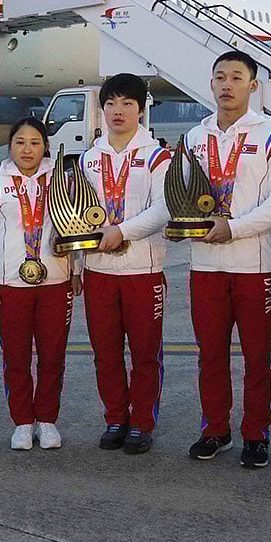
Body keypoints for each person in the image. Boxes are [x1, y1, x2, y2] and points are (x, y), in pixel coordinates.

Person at [184, 51, 271, 468]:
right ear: (210, 84)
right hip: (205, 264)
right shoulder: (195, 138)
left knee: (257, 356)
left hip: (254, 264)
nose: (227, 85)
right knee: (209, 353)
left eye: (236, 77)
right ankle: (215, 429)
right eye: (219, 77)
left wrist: (236, 227)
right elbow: (180, 196)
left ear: (253, 85)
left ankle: (256, 433)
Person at [0, 118, 82, 450]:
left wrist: (77, 271)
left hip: (56, 280)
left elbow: (79, 226)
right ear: (10, 146)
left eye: (34, 142)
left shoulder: (64, 180)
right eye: (20, 142)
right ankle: (22, 420)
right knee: (16, 357)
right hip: (10, 284)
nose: (27, 149)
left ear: (45, 146)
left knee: (52, 355)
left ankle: (47, 420)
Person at [79, 73, 171, 455]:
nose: (119, 111)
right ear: (102, 109)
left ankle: (143, 421)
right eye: (112, 103)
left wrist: (123, 231)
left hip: (142, 270)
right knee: (106, 351)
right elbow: (78, 212)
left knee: (145, 352)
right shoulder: (88, 158)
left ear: (141, 108)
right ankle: (115, 416)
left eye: (128, 104)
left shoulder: (156, 156)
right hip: (98, 270)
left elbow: (164, 208)